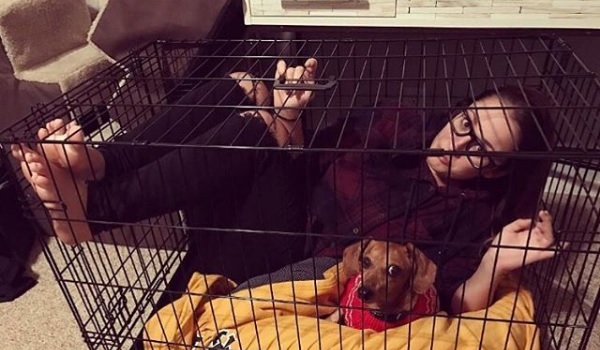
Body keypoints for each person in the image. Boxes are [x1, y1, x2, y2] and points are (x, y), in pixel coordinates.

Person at [12, 58, 560, 315]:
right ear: (461, 108)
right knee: (242, 87)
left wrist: (497, 263)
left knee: (257, 127)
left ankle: (99, 207)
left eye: (481, 149)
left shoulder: (469, 216)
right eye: (467, 121)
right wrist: (289, 115)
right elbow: (300, 160)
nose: (459, 142)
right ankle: (104, 161)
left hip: (287, 266)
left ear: (497, 170)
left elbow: (453, 302)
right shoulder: (399, 122)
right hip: (264, 211)